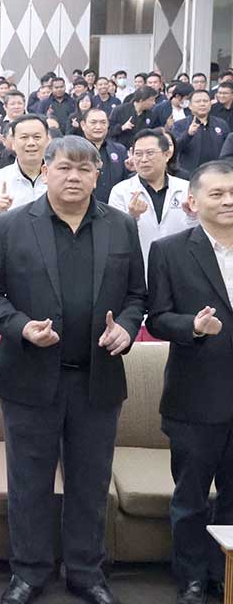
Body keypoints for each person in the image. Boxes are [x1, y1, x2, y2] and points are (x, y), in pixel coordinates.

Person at [0, 136, 147, 604]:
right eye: (65, 167)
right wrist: (20, 327)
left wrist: (127, 327)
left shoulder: (120, 226)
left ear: (97, 176)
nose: (74, 177)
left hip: (97, 376)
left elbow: (137, 295)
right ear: (45, 170)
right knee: (28, 481)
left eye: (85, 169)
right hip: (30, 376)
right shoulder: (11, 225)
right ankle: (28, 572)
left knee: (90, 481)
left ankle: (86, 572)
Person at [146, 159, 233, 604]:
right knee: (191, 497)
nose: (228, 201)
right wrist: (193, 328)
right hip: (195, 395)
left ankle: (225, 574)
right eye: (217, 194)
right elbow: (157, 318)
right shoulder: (170, 251)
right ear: (193, 202)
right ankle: (193, 577)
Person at [108, 129, 194, 272]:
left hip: (180, 268)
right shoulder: (120, 191)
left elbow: (198, 233)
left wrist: (193, 217)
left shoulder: (187, 189)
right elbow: (115, 237)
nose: (143, 159)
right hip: (139, 269)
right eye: (138, 154)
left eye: (150, 153)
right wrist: (132, 218)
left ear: (167, 155)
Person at [0, 115, 50, 238]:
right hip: (12, 248)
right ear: (13, 143)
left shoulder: (60, 178)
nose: (31, 143)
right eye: (24, 137)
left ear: (47, 141)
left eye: (37, 137)